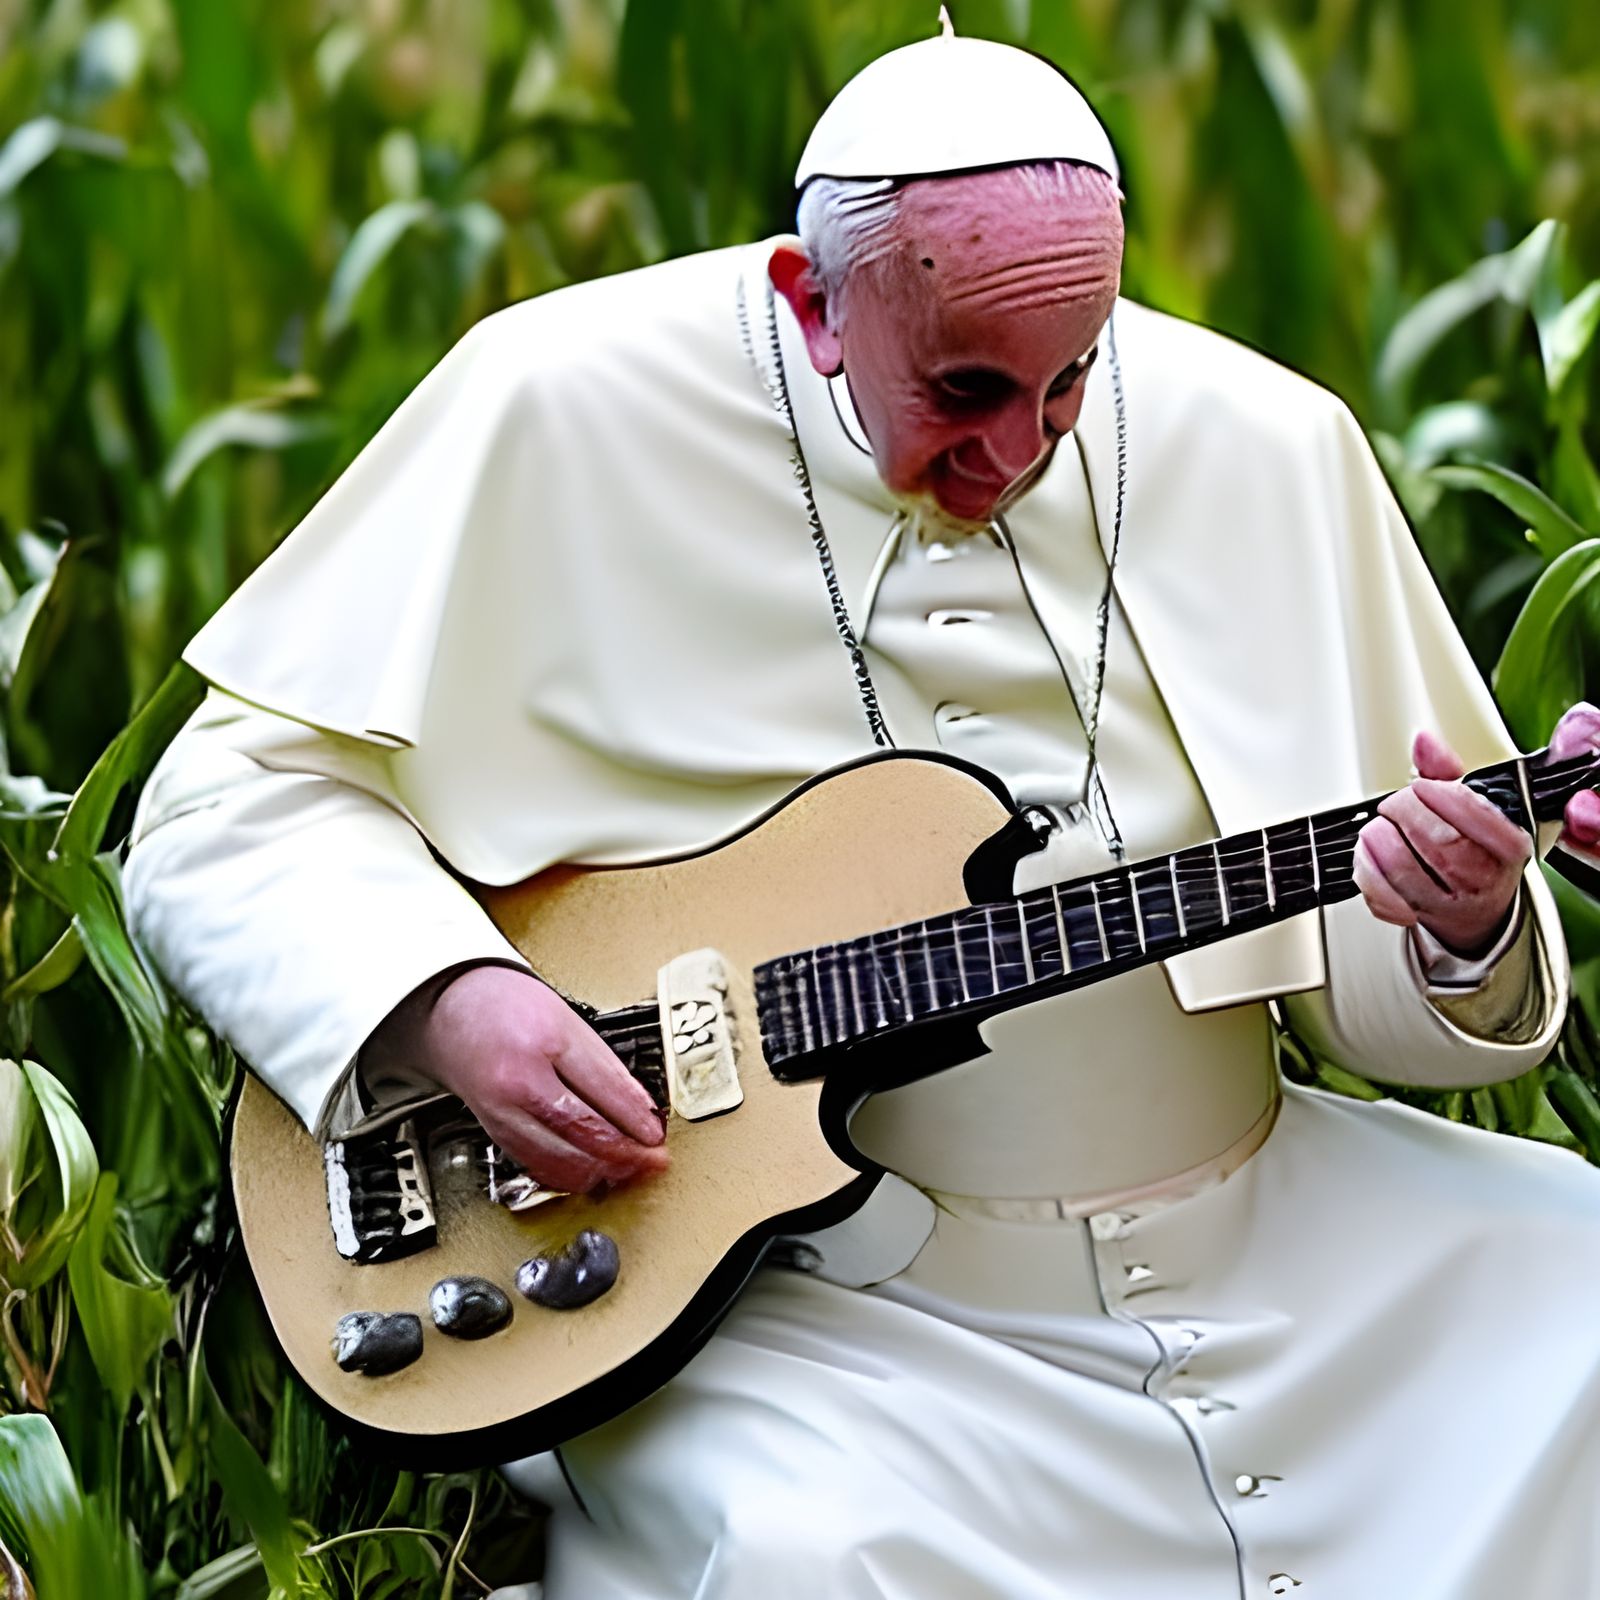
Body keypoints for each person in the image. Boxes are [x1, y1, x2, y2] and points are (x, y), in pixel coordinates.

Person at [126, 30, 1600, 1599]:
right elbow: (224, 808)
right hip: (826, 1319)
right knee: (812, 1558)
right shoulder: (556, 406)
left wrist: (1454, 925)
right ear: (809, 303)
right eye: (964, 390)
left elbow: (1374, 1010)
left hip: (1280, 1247)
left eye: (1075, 380)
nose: (1024, 452)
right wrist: (446, 1004)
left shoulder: (1263, 443)